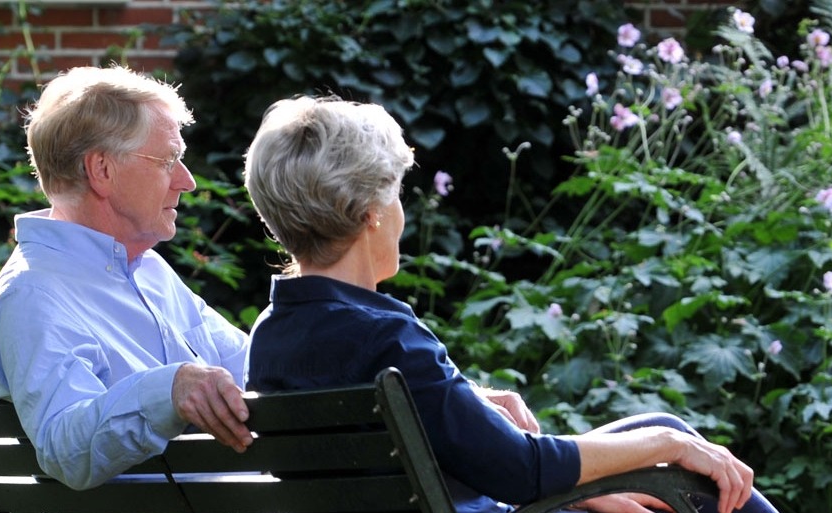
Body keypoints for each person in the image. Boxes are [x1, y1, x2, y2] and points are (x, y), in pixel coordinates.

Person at [241, 96, 779, 513]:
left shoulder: (273, 336)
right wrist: (664, 445)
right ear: (371, 212)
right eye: (397, 192)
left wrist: (584, 487)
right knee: (670, 434)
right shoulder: (387, 339)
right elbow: (520, 469)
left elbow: (447, 463)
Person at [0, 66, 252, 491]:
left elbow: (252, 371)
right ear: (102, 170)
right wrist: (169, 391)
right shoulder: (32, 294)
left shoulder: (150, 270)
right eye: (168, 161)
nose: (187, 181)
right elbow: (64, 446)